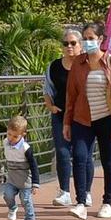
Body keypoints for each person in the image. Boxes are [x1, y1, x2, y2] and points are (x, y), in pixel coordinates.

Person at [64, 21, 111, 219]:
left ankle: (107, 202)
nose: (87, 42)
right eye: (84, 39)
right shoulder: (78, 63)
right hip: (82, 119)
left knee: (108, 160)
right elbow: (71, 95)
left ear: (101, 39)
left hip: (105, 119)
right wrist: (67, 122)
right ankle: (81, 203)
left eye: (91, 39)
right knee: (79, 157)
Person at [43, 29, 80, 206]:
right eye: (66, 44)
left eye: (73, 43)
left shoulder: (86, 65)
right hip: (60, 115)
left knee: (82, 155)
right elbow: (47, 90)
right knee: (62, 152)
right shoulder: (54, 66)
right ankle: (64, 191)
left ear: (80, 45)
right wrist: (51, 106)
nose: (69, 47)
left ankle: (84, 192)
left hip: (82, 116)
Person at [2, 113, 40, 220]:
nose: (11, 138)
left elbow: (34, 165)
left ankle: (30, 219)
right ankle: (12, 208)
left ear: (22, 135)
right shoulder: (5, 143)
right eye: (9, 134)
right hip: (12, 180)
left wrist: (35, 183)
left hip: (25, 181)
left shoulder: (26, 148)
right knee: (7, 195)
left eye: (15, 136)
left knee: (26, 200)